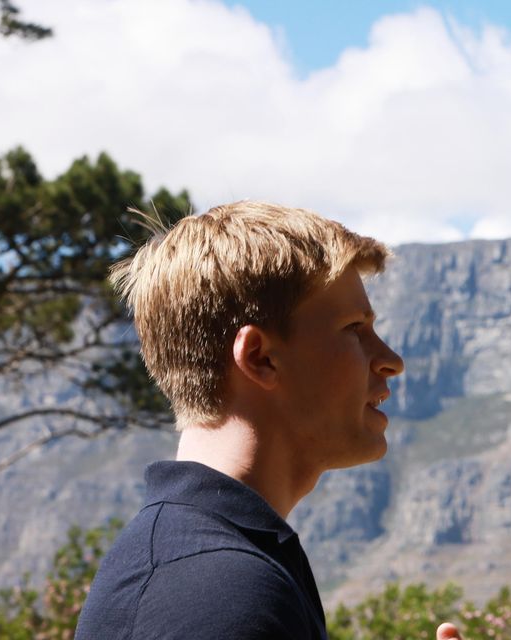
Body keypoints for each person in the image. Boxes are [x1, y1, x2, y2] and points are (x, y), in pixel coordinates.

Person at [75, 201, 463, 639]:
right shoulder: (220, 594)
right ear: (260, 357)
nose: (392, 361)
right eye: (354, 329)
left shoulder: (215, 566)